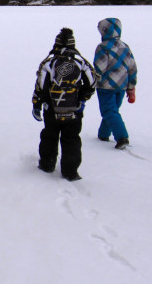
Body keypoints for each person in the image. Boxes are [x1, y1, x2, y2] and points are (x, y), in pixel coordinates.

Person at [32, 28, 97, 181]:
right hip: (74, 109)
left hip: (51, 109)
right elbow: (92, 82)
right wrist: (83, 98)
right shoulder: (81, 62)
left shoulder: (49, 62)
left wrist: (36, 104)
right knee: (72, 138)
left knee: (49, 136)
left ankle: (47, 164)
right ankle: (70, 171)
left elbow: (40, 86)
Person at [93, 18, 138, 150]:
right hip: (122, 85)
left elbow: (99, 68)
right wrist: (131, 86)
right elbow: (132, 68)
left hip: (106, 86)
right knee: (113, 110)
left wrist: (92, 82)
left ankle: (122, 137)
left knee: (109, 111)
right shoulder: (125, 47)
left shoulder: (103, 47)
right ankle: (103, 134)